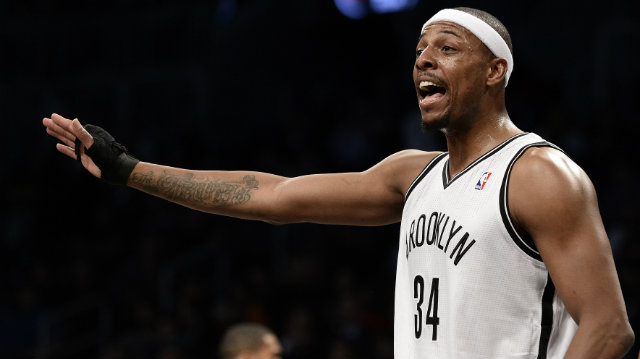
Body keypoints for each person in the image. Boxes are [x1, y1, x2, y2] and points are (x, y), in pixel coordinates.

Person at [42, 7, 634, 359]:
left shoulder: (537, 173)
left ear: (494, 71)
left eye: (447, 49)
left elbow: (609, 327)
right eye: (420, 49)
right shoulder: (411, 176)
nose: (424, 59)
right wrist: (130, 170)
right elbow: (273, 196)